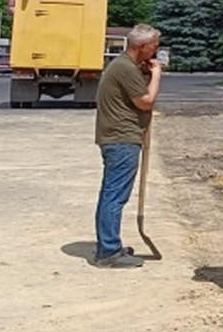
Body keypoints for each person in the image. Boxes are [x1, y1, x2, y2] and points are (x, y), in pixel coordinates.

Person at [93, 23, 162, 268]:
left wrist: (145, 72)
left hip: (118, 138)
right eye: (153, 47)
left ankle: (109, 244)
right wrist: (156, 75)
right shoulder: (124, 68)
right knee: (115, 195)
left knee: (111, 193)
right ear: (141, 47)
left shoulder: (126, 66)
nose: (156, 52)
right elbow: (146, 101)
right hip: (122, 139)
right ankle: (108, 251)